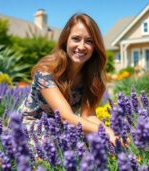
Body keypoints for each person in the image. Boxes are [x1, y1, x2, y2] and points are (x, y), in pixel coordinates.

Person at [18, 13, 117, 144]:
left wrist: (111, 134)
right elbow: (66, 117)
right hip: (31, 125)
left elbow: (89, 116)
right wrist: (104, 131)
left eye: (89, 41)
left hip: (62, 128)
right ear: (65, 41)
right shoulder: (45, 72)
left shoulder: (91, 77)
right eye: (76, 39)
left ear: (95, 47)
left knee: (93, 145)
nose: (81, 46)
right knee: (57, 147)